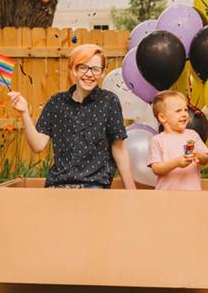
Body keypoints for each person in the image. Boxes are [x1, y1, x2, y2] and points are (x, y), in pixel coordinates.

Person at [8, 44, 136, 189]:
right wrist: (24, 113)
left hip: (94, 186)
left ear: (102, 72)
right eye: (83, 67)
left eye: (95, 69)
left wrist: (131, 192)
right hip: (58, 185)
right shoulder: (56, 102)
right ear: (73, 69)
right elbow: (37, 145)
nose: (89, 74)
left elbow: (119, 149)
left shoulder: (109, 101)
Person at [147, 90, 208, 190]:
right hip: (166, 196)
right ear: (163, 117)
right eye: (178, 111)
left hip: (192, 195)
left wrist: (198, 154)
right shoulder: (157, 140)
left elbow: (205, 159)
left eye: (185, 110)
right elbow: (156, 169)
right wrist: (176, 163)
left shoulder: (192, 135)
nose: (185, 114)